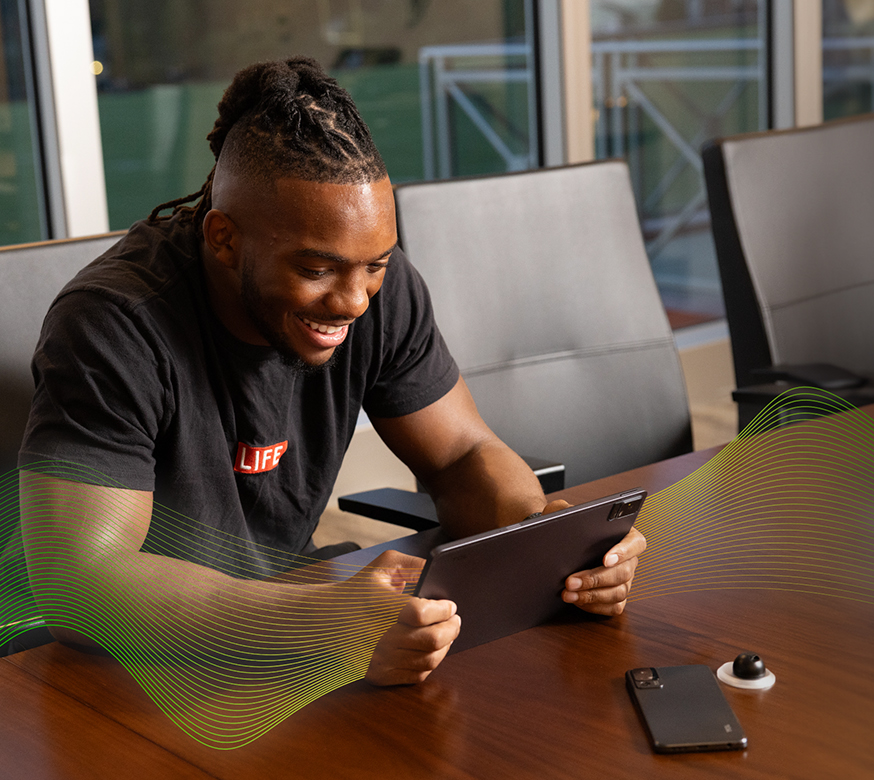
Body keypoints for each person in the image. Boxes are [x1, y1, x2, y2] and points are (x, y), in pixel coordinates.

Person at [16, 57, 645, 685]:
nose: (352, 302)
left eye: (374, 265)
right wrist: (314, 623)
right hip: (130, 673)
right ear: (224, 238)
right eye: (317, 270)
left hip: (290, 614)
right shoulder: (112, 325)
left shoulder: (378, 288)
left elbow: (460, 455)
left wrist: (545, 546)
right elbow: (84, 581)